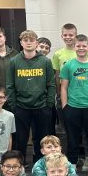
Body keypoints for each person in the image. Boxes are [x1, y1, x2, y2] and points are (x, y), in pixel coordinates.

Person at [7, 29, 56, 164]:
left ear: (36, 43)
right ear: (21, 43)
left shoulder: (45, 61)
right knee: (20, 138)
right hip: (21, 106)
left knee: (41, 138)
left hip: (42, 106)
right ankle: (20, 164)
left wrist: (49, 104)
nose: (28, 43)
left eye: (32, 40)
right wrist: (13, 105)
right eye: (25, 40)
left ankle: (40, 163)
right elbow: (10, 85)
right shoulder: (14, 61)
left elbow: (51, 84)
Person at [60, 34, 88, 169]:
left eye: (84, 46)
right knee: (72, 137)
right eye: (78, 46)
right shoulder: (68, 65)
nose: (81, 48)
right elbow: (64, 87)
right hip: (72, 107)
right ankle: (72, 163)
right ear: (74, 47)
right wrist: (65, 106)